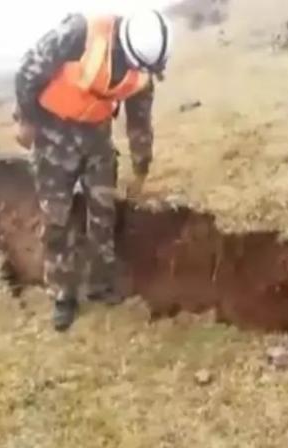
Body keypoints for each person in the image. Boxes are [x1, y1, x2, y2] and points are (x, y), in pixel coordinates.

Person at [13, 9, 173, 331]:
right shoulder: (78, 34)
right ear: (126, 47)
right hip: (53, 137)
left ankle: (100, 282)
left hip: (97, 138)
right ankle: (63, 295)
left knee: (103, 211)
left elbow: (139, 121)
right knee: (56, 219)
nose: (140, 73)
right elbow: (27, 71)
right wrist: (25, 121)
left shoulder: (142, 68)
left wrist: (141, 165)